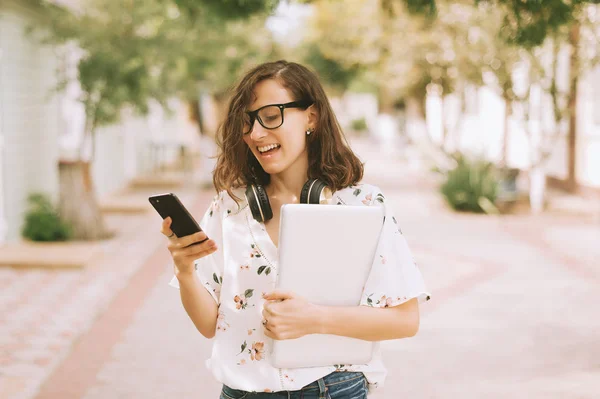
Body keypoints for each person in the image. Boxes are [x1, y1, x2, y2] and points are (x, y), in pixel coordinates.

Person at [161, 60, 430, 399]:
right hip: (241, 391)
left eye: (271, 116)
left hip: (332, 389)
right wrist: (184, 269)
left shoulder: (364, 204)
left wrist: (315, 319)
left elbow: (405, 321)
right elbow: (207, 325)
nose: (256, 134)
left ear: (311, 118)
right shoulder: (229, 207)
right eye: (247, 123)